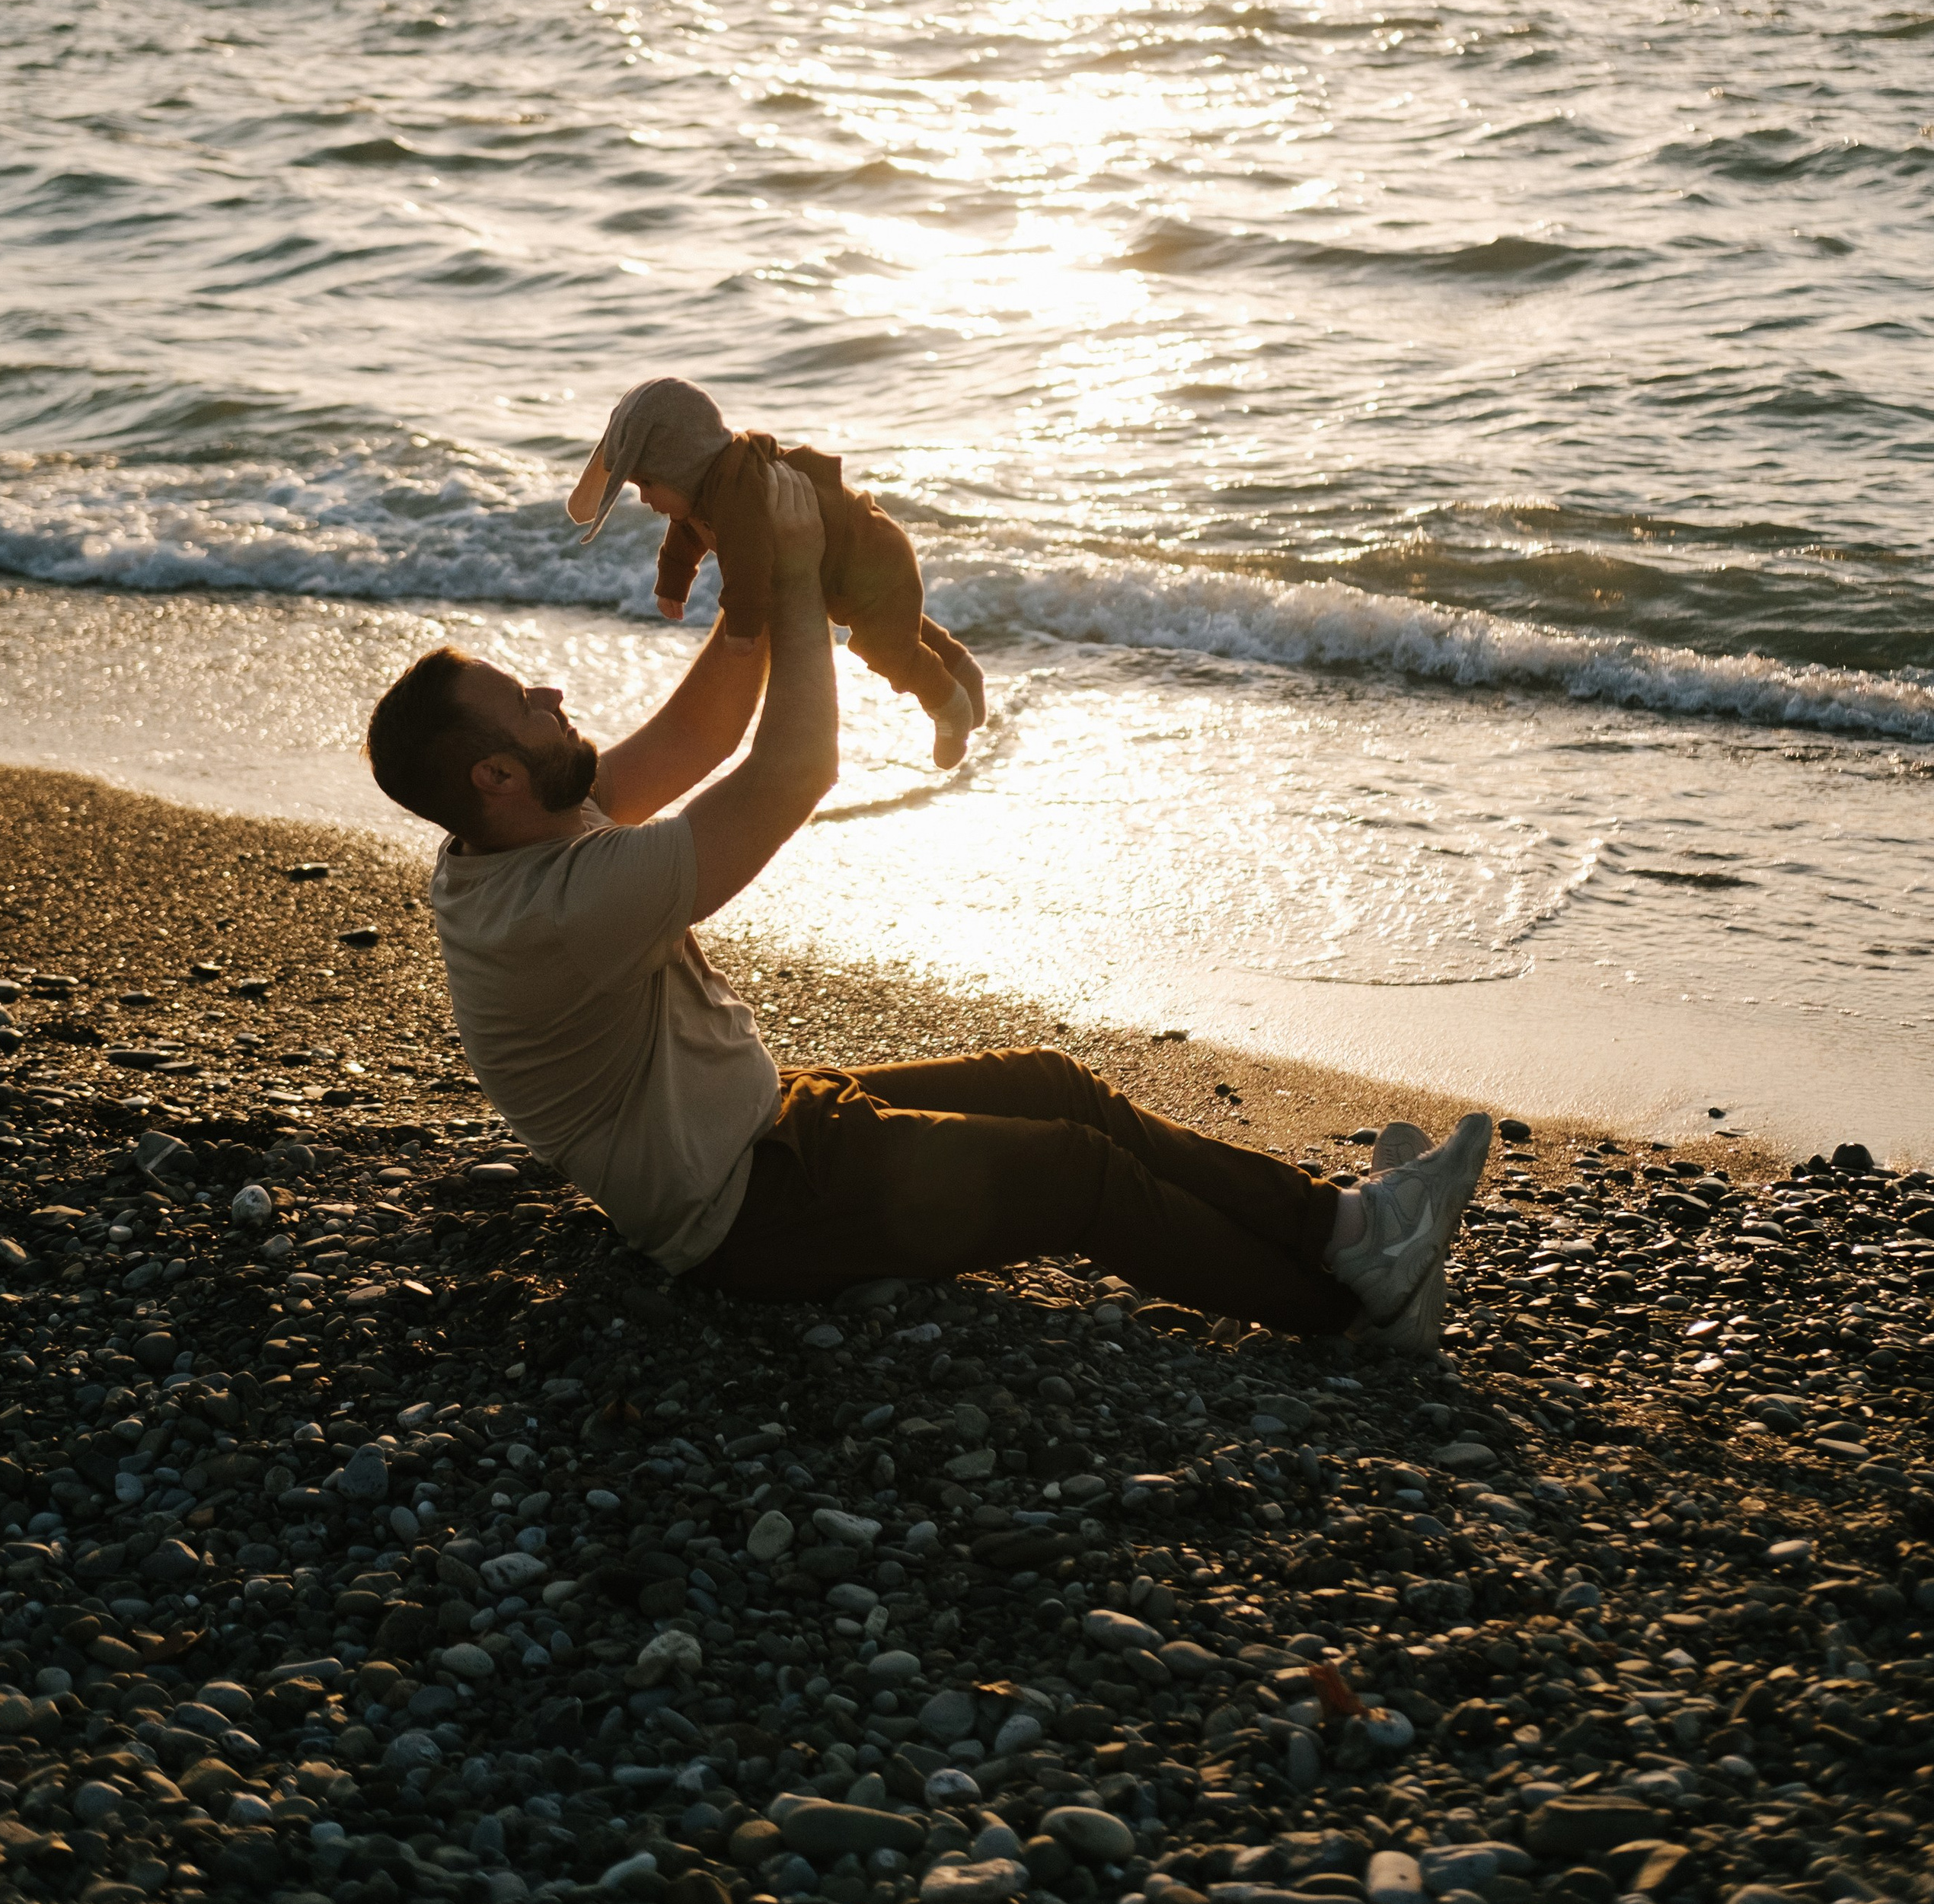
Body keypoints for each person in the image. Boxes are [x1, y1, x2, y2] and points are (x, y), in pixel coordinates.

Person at [365, 460, 1489, 1345]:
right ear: (495, 775)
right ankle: (1359, 1311)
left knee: (1051, 1085)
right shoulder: (560, 905)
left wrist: (749, 554)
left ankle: (1349, 1226)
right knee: (1074, 1176)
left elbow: (703, 731)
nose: (551, 692)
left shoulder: (516, 833)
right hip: (744, 1208)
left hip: (768, 1124)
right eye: (524, 703)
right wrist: (799, 578)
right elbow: (792, 772)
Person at [566, 374, 985, 767]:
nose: (643, 498)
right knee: (897, 625)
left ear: (681, 466)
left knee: (885, 647)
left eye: (647, 484)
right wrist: (673, 583)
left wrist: (743, 626)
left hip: (870, 557)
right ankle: (961, 667)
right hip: (853, 562)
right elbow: (687, 533)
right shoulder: (704, 491)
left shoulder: (737, 493)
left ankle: (948, 705)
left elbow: (748, 562)